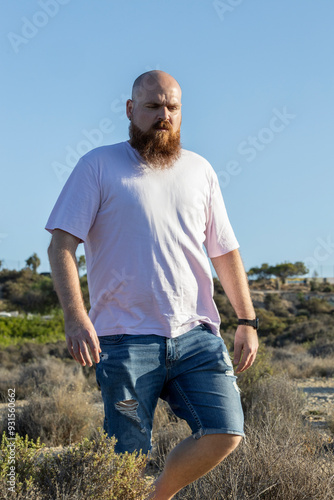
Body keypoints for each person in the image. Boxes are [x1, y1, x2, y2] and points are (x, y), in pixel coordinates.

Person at [46, 70, 259, 500]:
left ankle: (155, 497)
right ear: (131, 110)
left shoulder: (200, 170)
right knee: (127, 457)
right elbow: (61, 245)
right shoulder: (98, 165)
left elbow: (224, 251)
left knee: (226, 430)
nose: (164, 116)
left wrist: (247, 319)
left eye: (173, 108)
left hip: (196, 338)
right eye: (153, 106)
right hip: (124, 345)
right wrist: (75, 317)